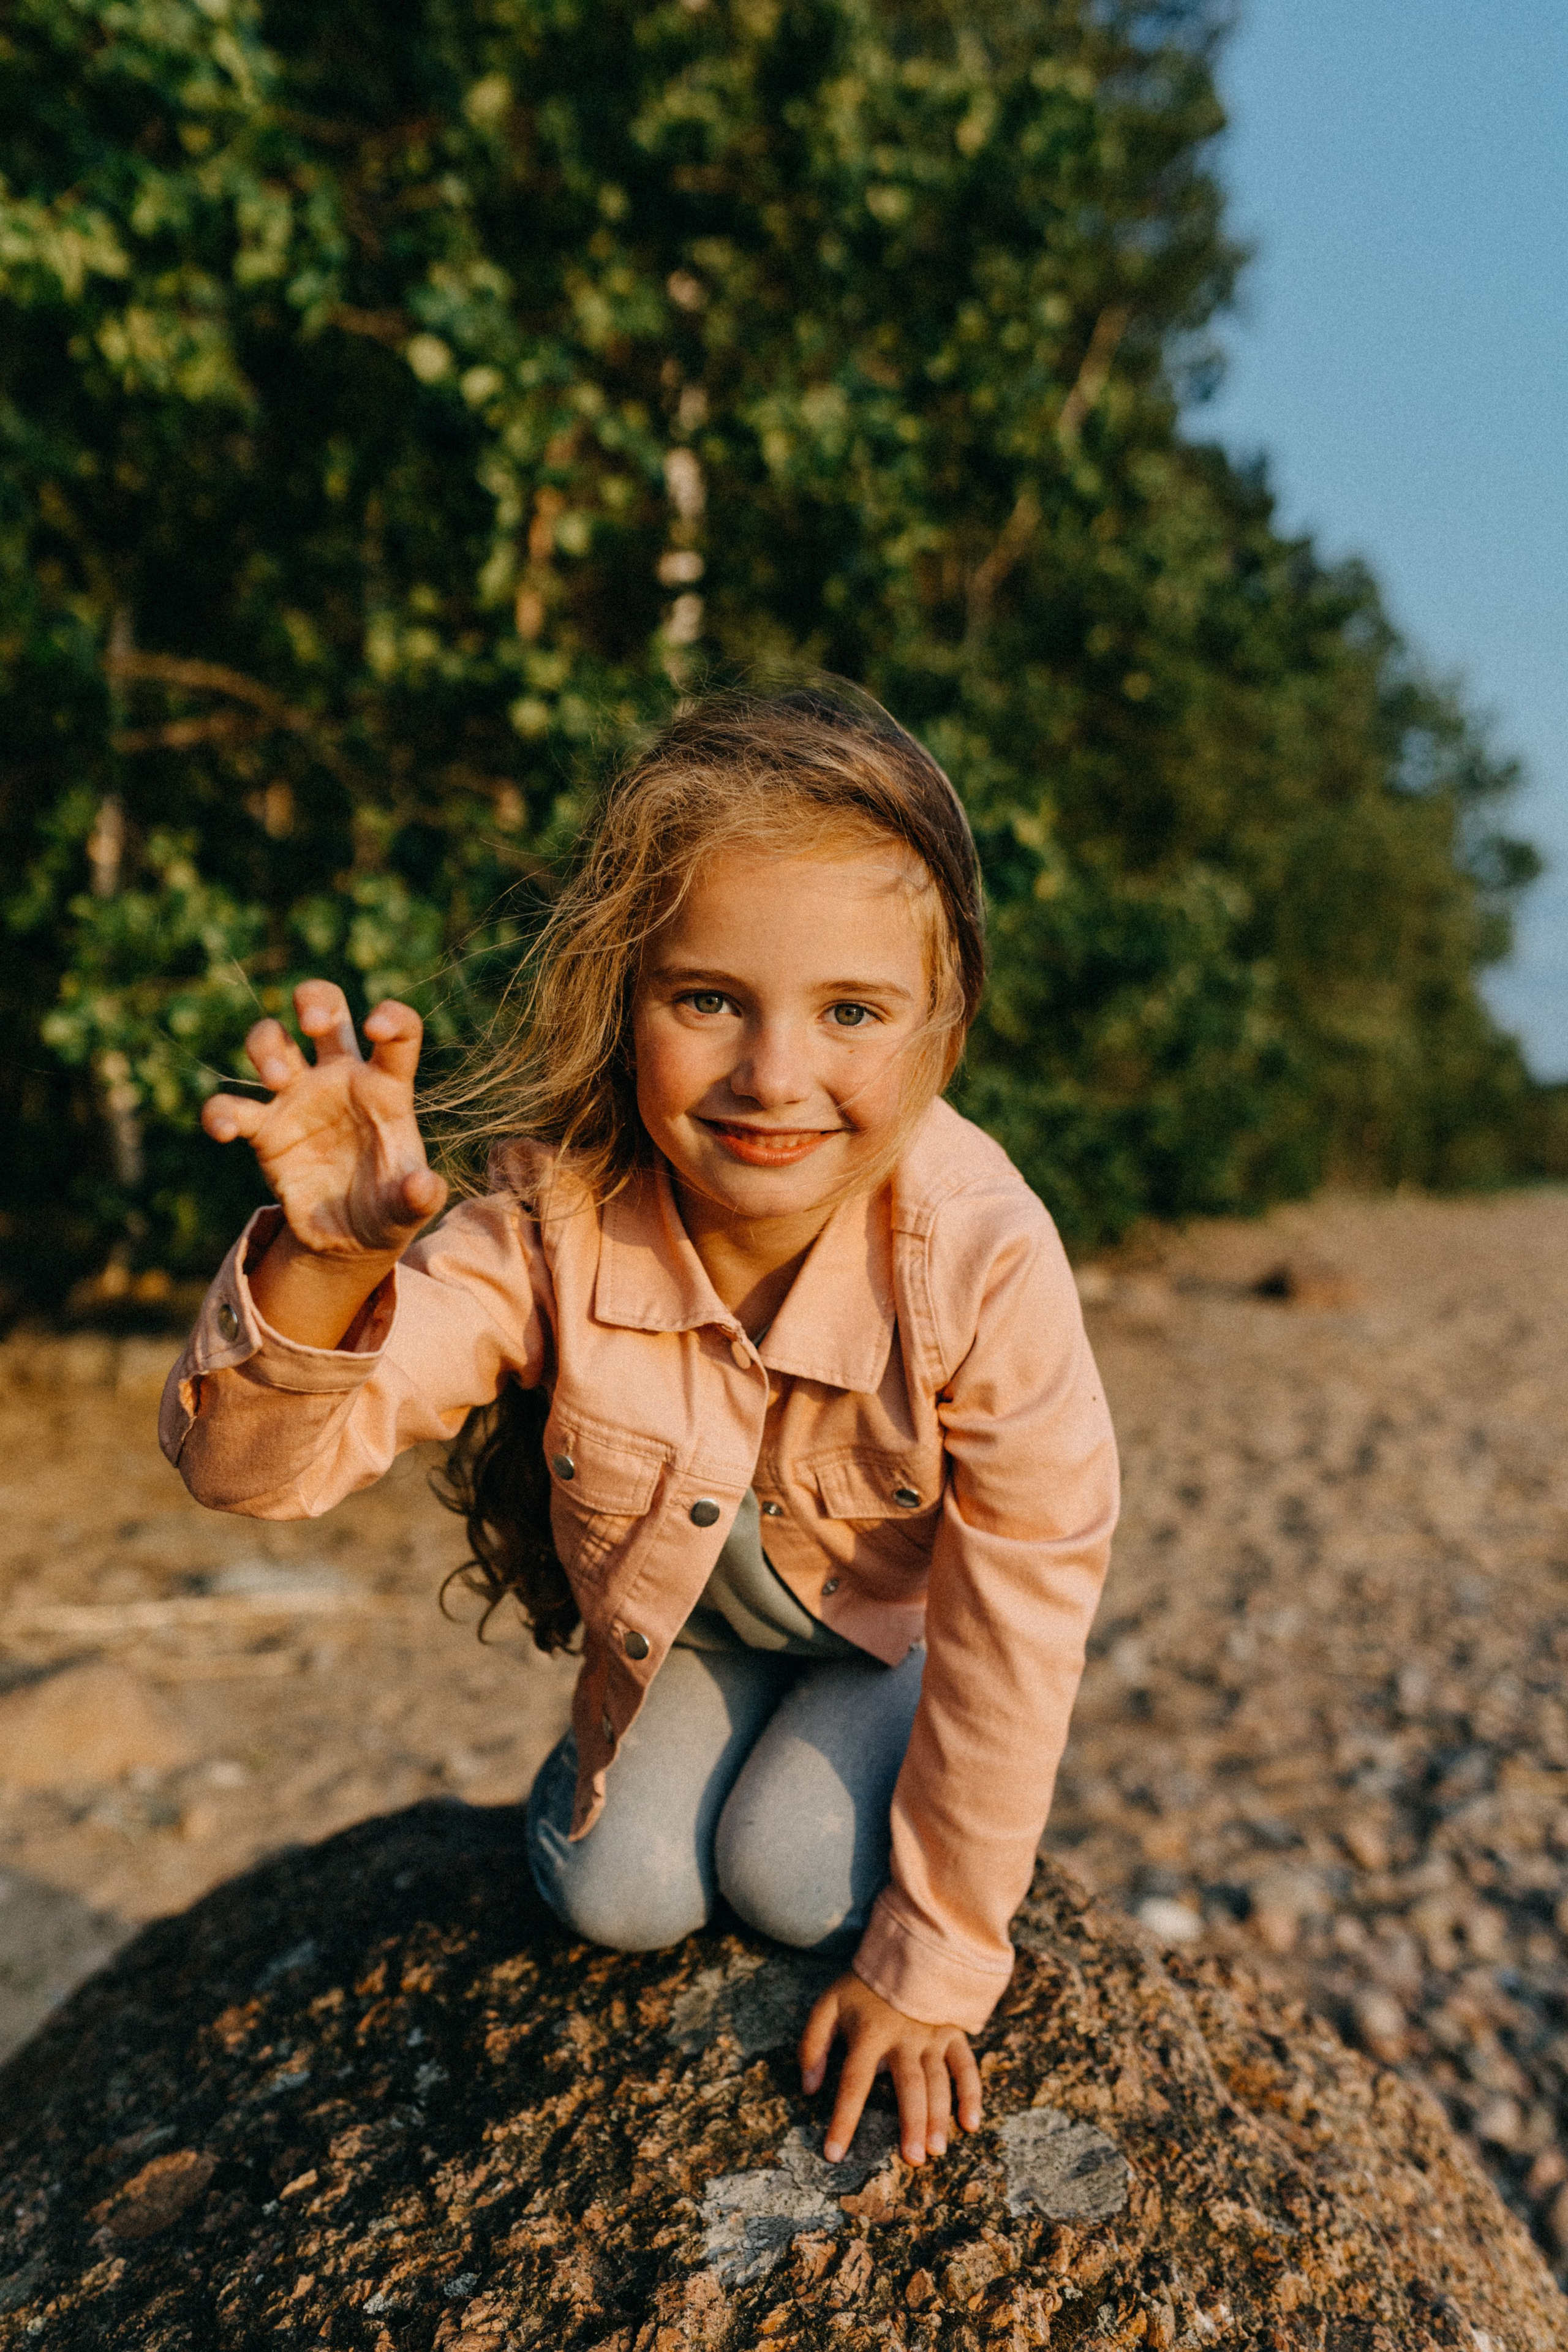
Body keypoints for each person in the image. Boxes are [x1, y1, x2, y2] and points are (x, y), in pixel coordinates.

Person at [161, 685, 1118, 2171]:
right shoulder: (553, 1212)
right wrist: (332, 1264)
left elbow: (1027, 1612)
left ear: (942, 1029)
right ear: (624, 994)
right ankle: (610, 1775)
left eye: (850, 1012)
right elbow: (249, 1473)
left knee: (800, 1881)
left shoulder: (983, 1255)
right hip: (691, 1636)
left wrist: (935, 1965)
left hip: (888, 1634)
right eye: (706, 999)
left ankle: (839, 1780)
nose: (771, 1077)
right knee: (619, 1898)